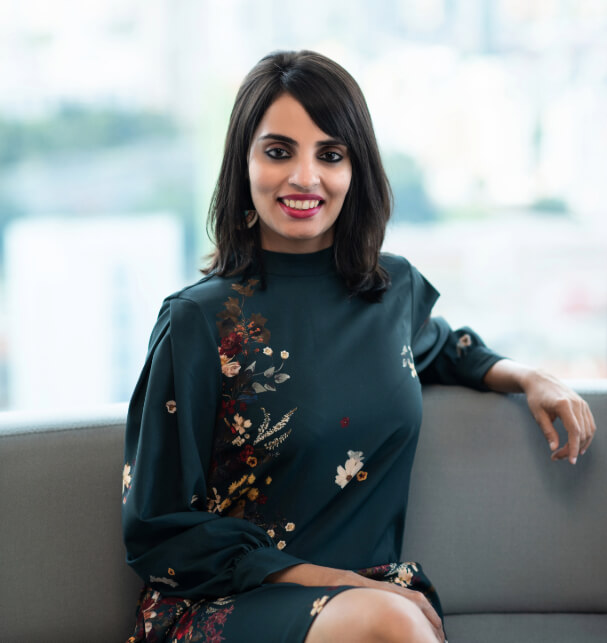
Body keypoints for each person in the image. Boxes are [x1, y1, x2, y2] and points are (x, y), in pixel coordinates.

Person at [122, 50, 596, 643]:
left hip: (369, 602)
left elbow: (445, 349)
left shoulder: (391, 292)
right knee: (391, 620)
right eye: (278, 152)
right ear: (242, 164)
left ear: (356, 169)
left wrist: (531, 378)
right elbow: (159, 526)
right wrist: (345, 585)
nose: (305, 177)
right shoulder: (198, 320)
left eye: (330, 154)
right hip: (226, 605)